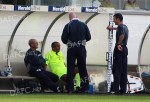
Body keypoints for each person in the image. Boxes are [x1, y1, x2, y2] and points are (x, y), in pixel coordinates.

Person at [61, 12, 91, 93]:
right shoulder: (84, 25)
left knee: (70, 68)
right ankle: (84, 88)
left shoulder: (68, 25)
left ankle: (70, 88)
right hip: (81, 48)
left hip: (71, 49)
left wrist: (70, 41)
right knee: (82, 68)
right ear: (77, 16)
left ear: (69, 18)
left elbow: (63, 39)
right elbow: (88, 37)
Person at [107, 13, 128, 94]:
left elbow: (122, 35)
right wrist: (112, 28)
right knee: (123, 70)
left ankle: (116, 90)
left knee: (117, 70)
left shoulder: (120, 27)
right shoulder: (124, 26)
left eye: (114, 19)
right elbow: (120, 30)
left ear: (118, 19)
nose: (113, 20)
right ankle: (123, 90)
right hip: (125, 48)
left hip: (120, 49)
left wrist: (118, 44)